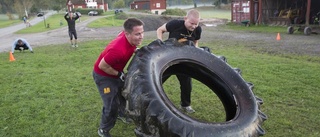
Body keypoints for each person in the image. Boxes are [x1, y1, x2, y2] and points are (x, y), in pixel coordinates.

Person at [92, 17, 144, 137]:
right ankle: (103, 129)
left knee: (123, 94)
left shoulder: (127, 37)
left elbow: (121, 36)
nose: (141, 36)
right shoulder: (117, 50)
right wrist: (119, 74)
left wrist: (135, 49)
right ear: (127, 34)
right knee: (111, 105)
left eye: (142, 32)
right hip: (103, 76)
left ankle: (121, 114)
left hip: (115, 71)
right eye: (137, 34)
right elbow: (102, 66)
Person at [156, 9, 202, 113]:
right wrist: (160, 43)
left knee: (186, 83)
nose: (194, 26)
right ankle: (147, 99)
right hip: (168, 59)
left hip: (183, 62)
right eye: (191, 23)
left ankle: (185, 105)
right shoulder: (175, 24)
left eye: (196, 23)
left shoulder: (198, 29)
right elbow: (160, 30)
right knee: (157, 80)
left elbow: (195, 41)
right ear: (185, 18)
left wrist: (196, 50)